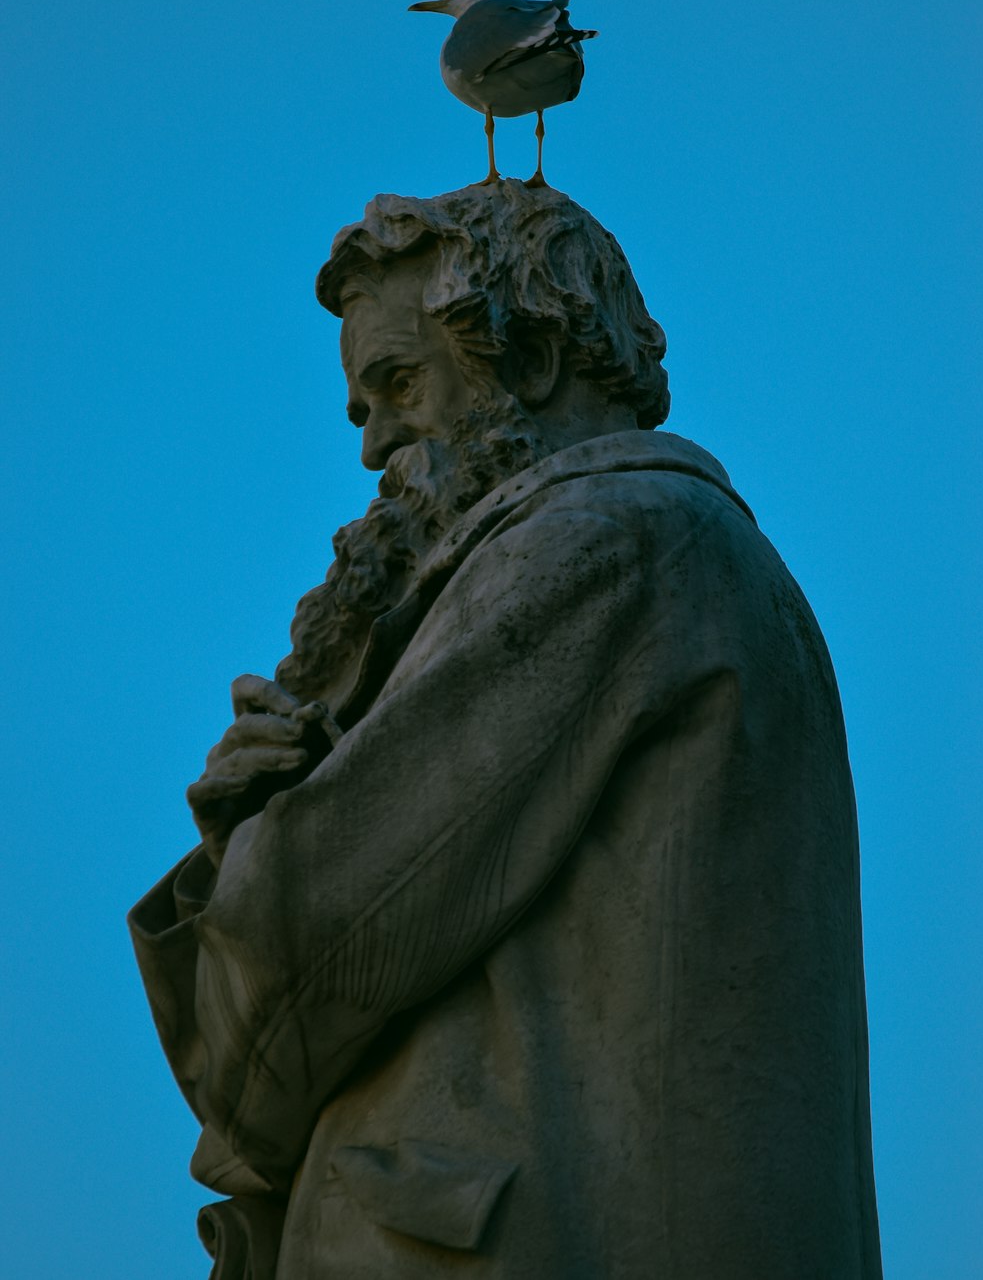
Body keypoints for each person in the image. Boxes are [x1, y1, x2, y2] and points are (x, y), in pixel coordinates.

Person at [129, 182, 882, 1279]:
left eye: (397, 383)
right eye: (361, 407)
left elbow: (297, 965)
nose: (374, 442)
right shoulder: (680, 558)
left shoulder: (605, 537)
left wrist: (253, 833)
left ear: (523, 358)